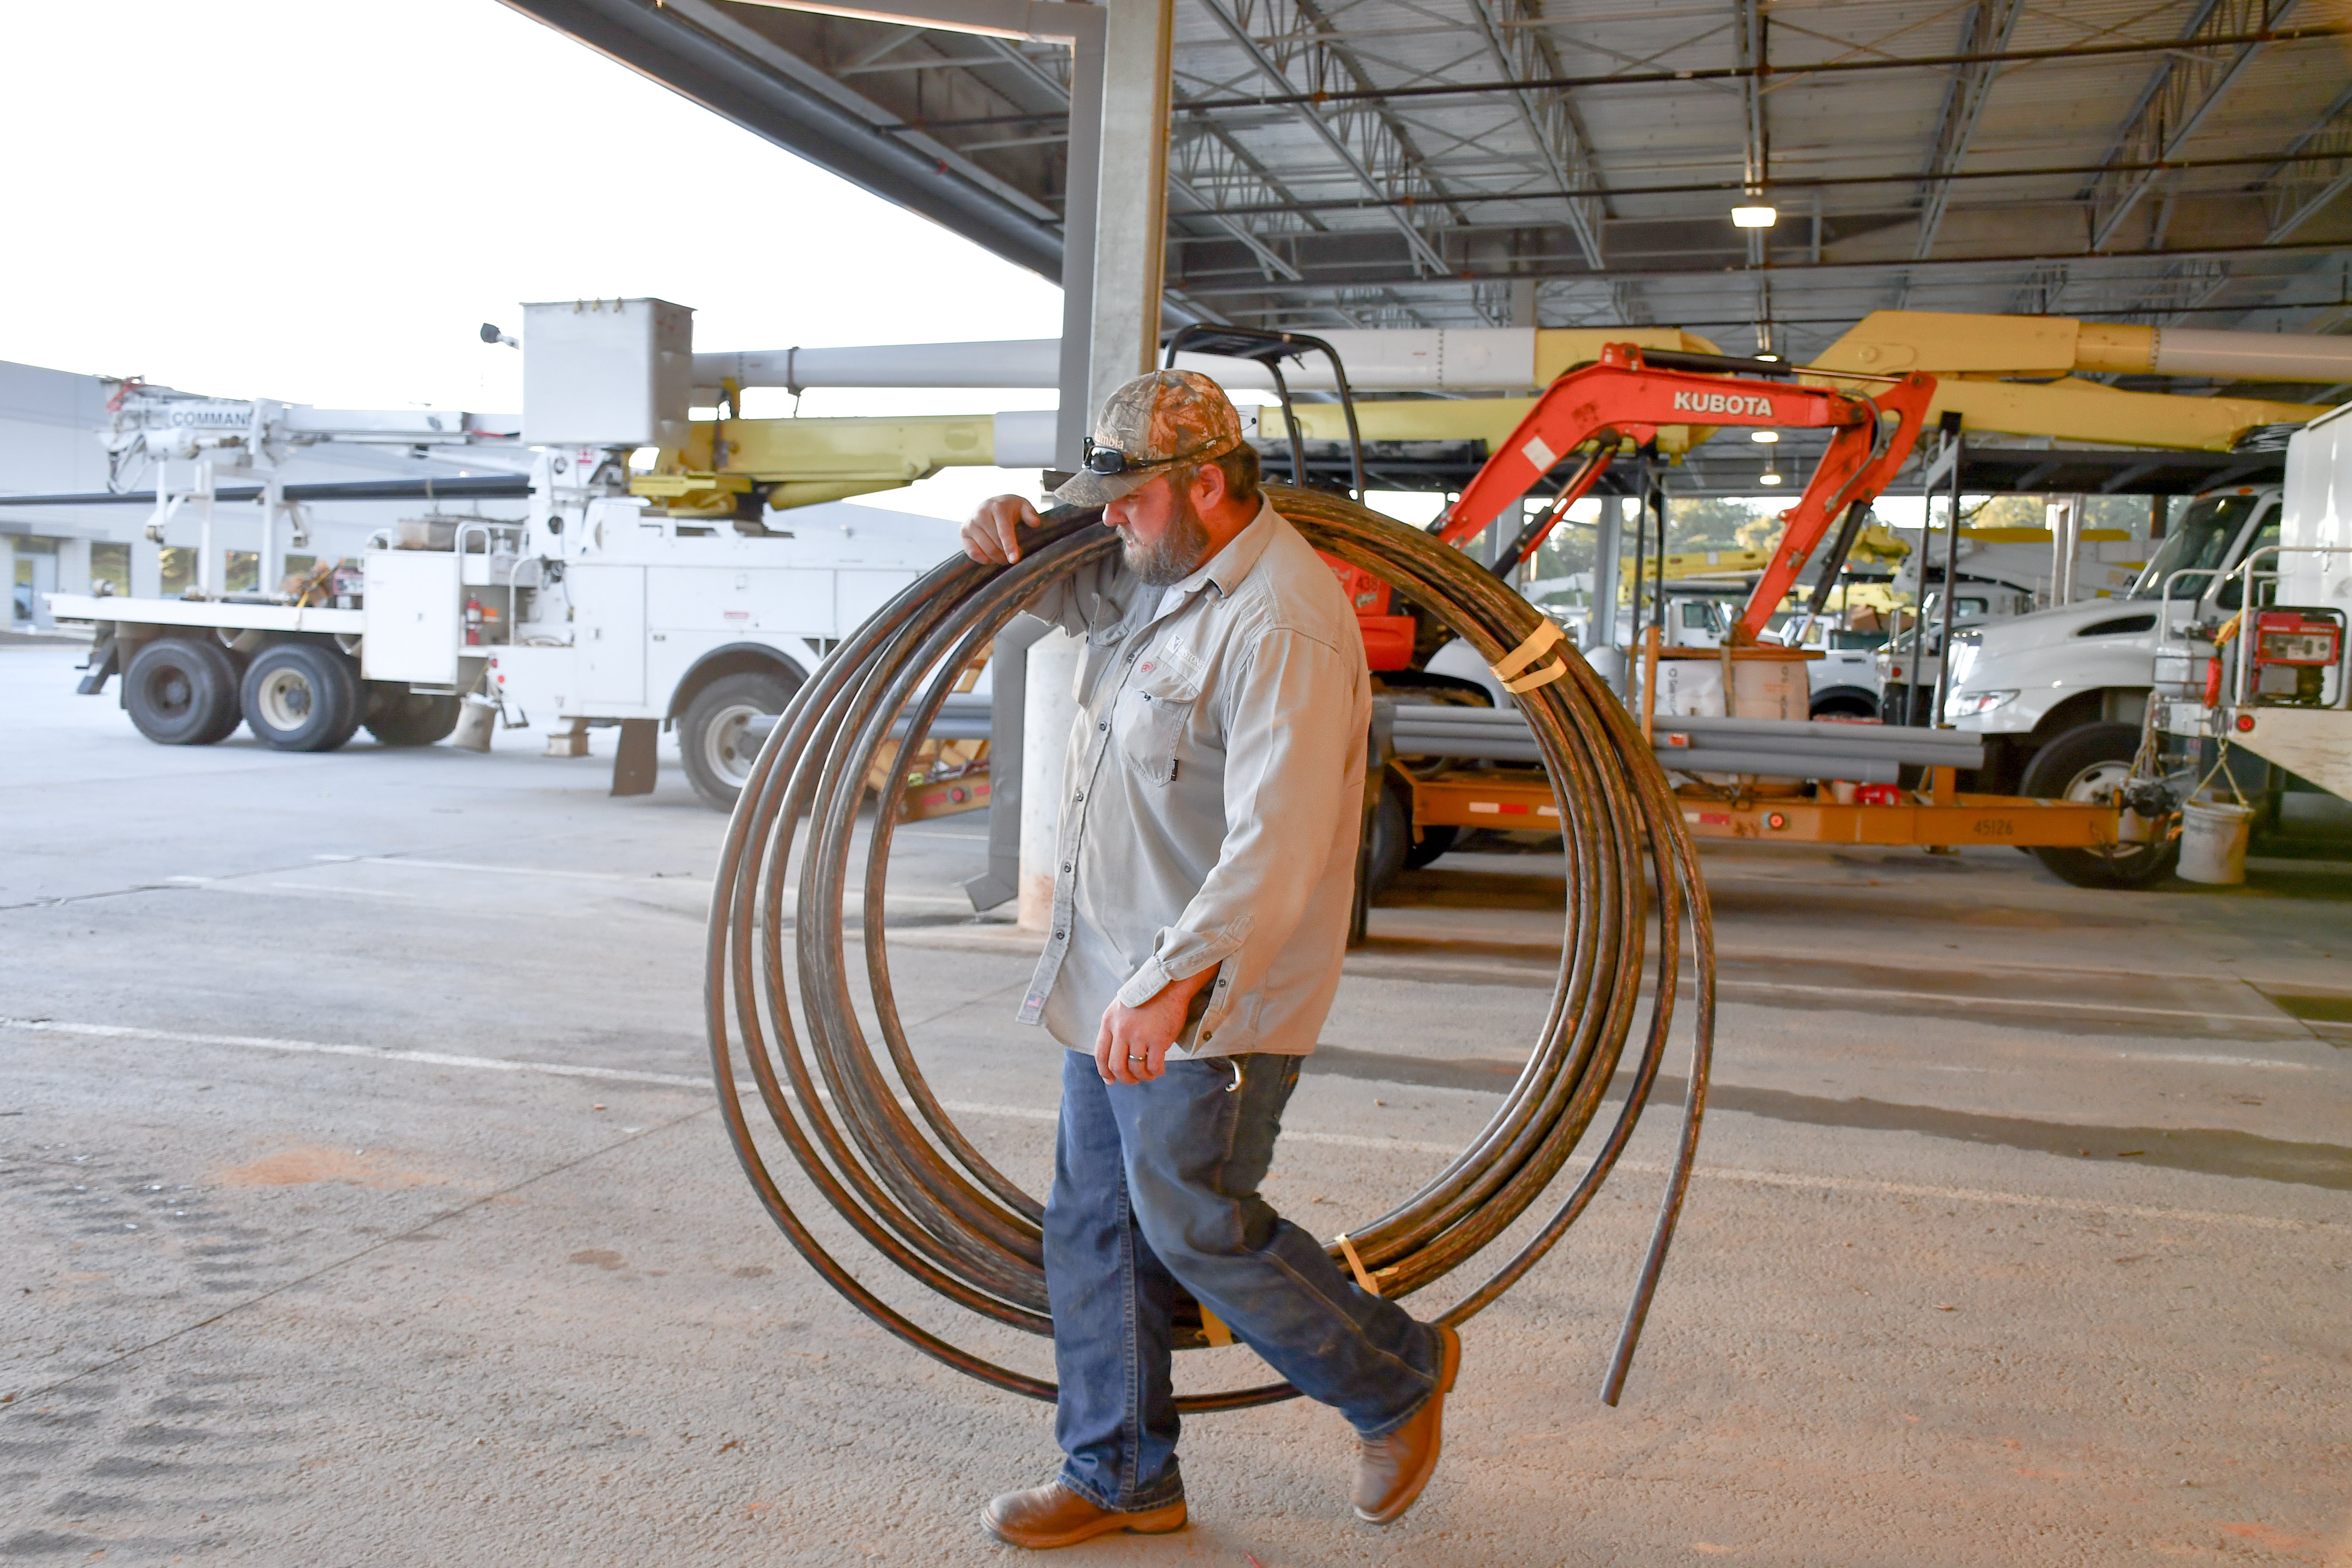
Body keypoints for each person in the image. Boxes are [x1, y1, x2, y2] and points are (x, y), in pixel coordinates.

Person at [958, 369, 1460, 1550]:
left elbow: (1276, 844)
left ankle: (1396, 1379)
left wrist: (1171, 981)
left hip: (1209, 995)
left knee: (1191, 1220)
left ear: (1206, 484)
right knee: (1093, 1227)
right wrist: (1001, 536)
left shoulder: (1278, 617)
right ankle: (1124, 1474)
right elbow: (1063, 585)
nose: (1110, 518)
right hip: (1117, 985)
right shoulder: (1161, 576)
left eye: (1128, 498)